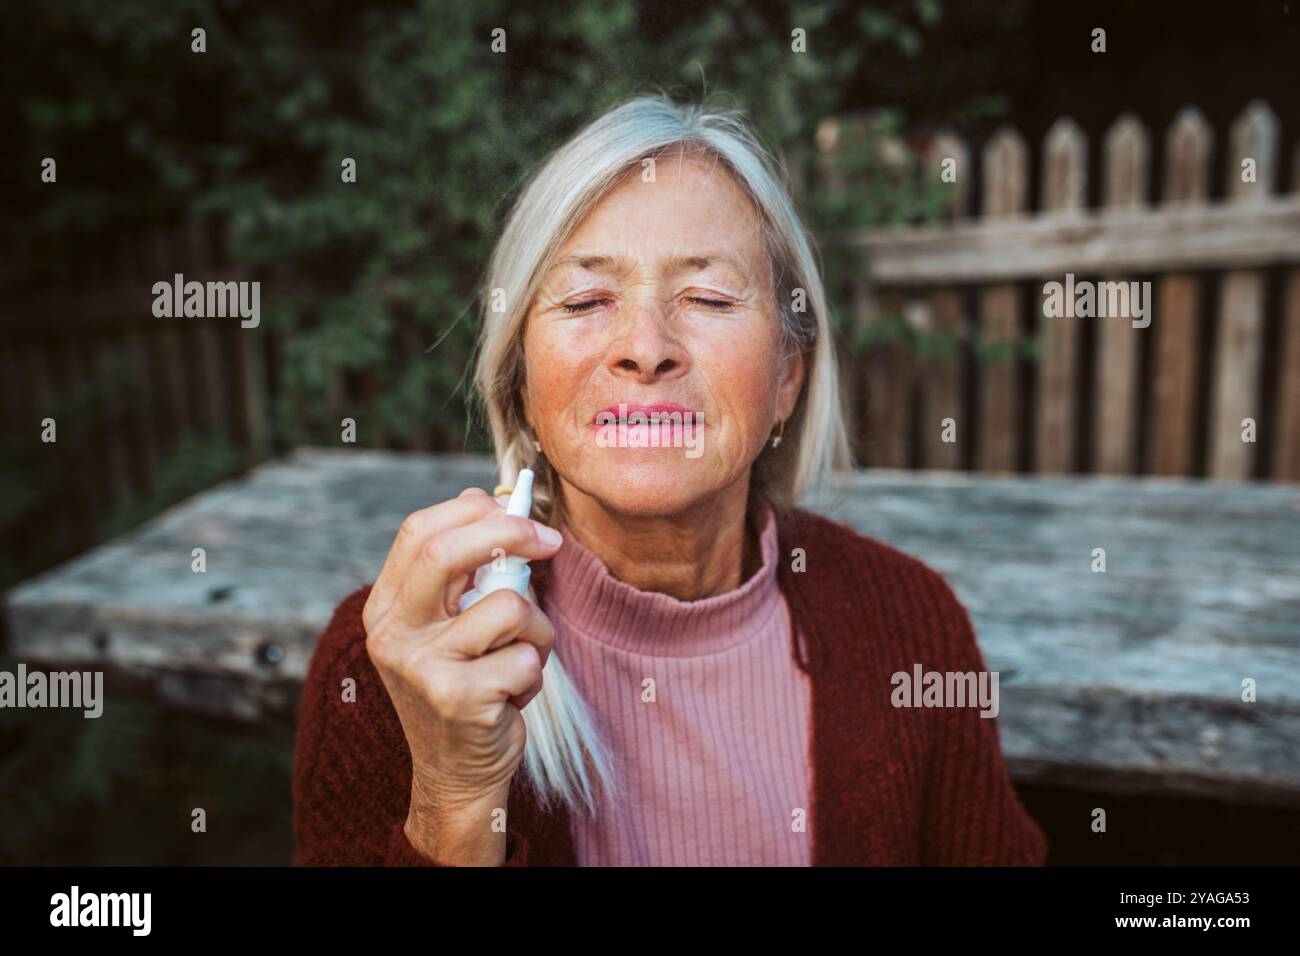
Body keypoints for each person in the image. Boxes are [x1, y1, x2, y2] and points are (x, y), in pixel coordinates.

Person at [292, 94, 1048, 866]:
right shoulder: (400, 665)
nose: (645, 347)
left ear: (789, 376)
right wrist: (454, 797)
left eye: (709, 299)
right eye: (586, 299)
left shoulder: (910, 626)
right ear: (522, 386)